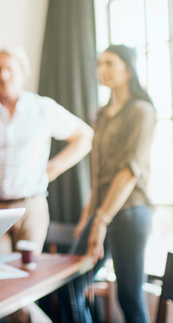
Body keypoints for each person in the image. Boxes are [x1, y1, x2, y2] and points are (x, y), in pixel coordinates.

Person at [0, 47, 94, 256]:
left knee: (29, 275)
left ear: (23, 72)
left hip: (31, 208)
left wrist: (54, 167)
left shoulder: (43, 108)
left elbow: (85, 136)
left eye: (9, 68)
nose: (3, 75)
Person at [64, 45, 156, 323]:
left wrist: (101, 220)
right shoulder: (102, 114)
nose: (101, 69)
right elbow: (97, 171)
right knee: (70, 285)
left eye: (109, 63)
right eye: (99, 63)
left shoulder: (141, 111)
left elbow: (130, 170)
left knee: (128, 296)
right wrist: (87, 215)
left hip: (130, 212)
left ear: (128, 70)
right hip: (101, 211)